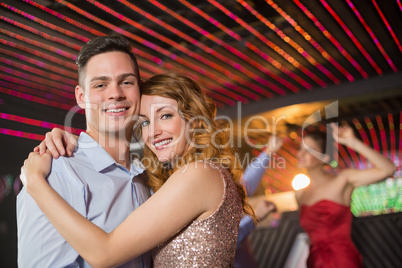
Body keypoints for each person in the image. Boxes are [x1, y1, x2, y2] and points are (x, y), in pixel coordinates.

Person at [20, 72, 256, 267]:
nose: (152, 132)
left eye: (165, 115)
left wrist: (37, 184)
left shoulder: (198, 174)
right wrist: (76, 142)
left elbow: (104, 253)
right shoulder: (198, 175)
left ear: (193, 120)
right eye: (144, 122)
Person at [17, 35, 153, 267]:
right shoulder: (56, 174)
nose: (115, 94)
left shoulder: (148, 176)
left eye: (127, 82)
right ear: (81, 97)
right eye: (101, 84)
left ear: (139, 90)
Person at [295, 123, 396, 268]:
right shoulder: (300, 194)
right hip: (315, 261)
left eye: (309, 150)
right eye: (300, 149)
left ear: (325, 157)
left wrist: (352, 142)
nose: (301, 154)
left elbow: (388, 169)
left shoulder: (343, 179)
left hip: (342, 259)